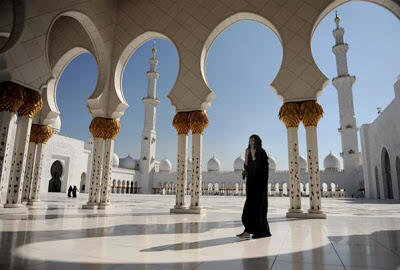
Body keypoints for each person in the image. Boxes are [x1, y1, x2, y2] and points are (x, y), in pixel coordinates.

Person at [237, 134, 271, 239]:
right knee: (248, 209)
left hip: (259, 187)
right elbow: (248, 168)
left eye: (253, 140)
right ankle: (247, 231)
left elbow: (262, 169)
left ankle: (261, 232)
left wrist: (253, 155)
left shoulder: (261, 152)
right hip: (251, 185)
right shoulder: (249, 152)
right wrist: (247, 157)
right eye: (250, 140)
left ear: (257, 141)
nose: (251, 142)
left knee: (258, 209)